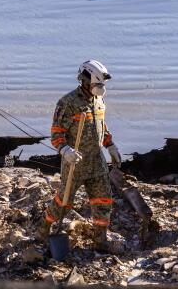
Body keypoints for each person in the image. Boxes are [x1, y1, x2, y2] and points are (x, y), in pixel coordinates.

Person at [36, 60, 123, 253]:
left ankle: (100, 240)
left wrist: (110, 145)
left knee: (103, 200)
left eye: (102, 85)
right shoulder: (68, 103)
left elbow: (101, 125)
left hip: (96, 160)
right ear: (86, 81)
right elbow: (56, 133)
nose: (101, 88)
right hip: (74, 162)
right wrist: (65, 151)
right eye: (97, 84)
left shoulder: (99, 100)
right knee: (64, 202)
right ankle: (43, 229)